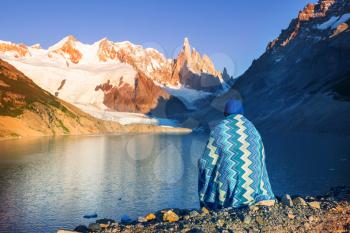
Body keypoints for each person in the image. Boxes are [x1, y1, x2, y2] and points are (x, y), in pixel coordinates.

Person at [198, 99, 275, 209]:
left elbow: (206, 162)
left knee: (206, 165)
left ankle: (215, 200)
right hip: (254, 186)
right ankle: (255, 194)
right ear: (241, 112)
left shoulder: (219, 129)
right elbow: (261, 158)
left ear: (225, 113)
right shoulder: (252, 129)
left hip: (227, 190)